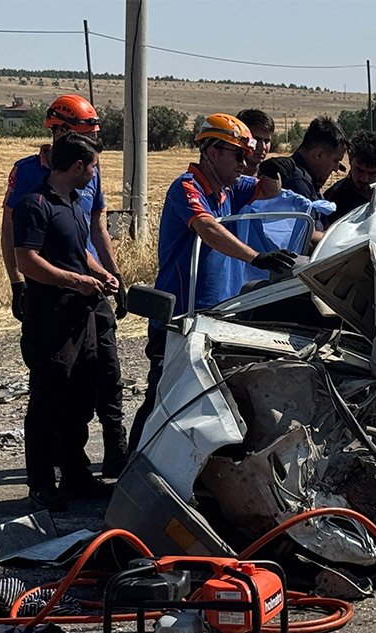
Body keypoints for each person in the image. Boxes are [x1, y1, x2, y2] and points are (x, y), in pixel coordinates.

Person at [126, 113, 297, 454]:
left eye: (245, 155)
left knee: (208, 399)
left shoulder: (229, 188)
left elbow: (268, 190)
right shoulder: (187, 187)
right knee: (164, 396)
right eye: (237, 155)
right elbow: (207, 228)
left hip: (219, 315)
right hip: (181, 316)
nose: (243, 162)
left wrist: (271, 169)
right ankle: (136, 468)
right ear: (212, 151)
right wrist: (255, 258)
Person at [2, 94, 128, 479]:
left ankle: (107, 452)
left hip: (89, 290)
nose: (92, 154)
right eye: (80, 134)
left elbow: (95, 229)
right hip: (53, 294)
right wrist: (17, 282)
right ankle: (47, 475)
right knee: (52, 386)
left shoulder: (85, 180)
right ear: (57, 131)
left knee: (102, 372)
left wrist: (114, 275)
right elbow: (15, 238)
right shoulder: (28, 179)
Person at [280, 117, 348, 233]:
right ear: (319, 155)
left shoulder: (309, 180)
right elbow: (306, 237)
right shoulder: (297, 183)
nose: (336, 169)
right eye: (335, 161)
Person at [236, 108, 274, 178]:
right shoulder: (225, 179)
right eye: (256, 139)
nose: (262, 147)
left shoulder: (271, 177)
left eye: (266, 141)